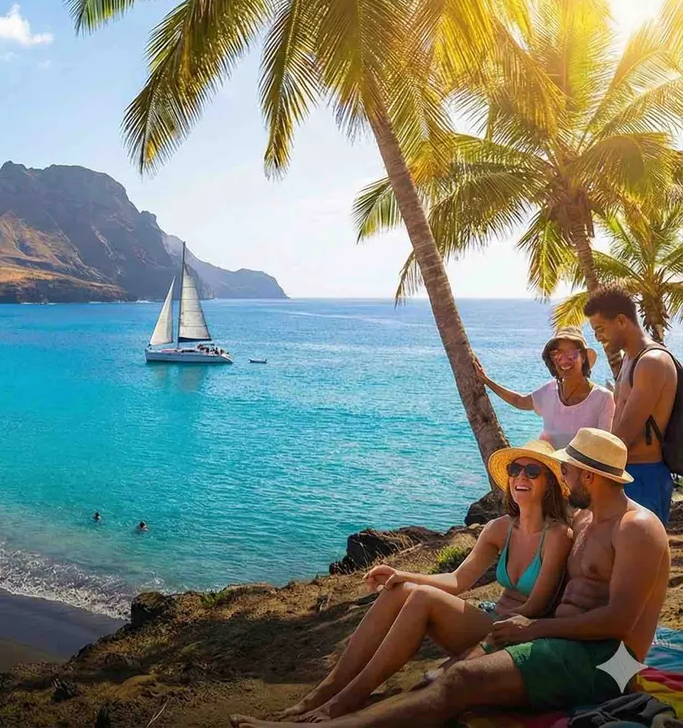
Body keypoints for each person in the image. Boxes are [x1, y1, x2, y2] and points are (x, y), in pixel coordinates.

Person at [231, 428, 670, 728]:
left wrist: (531, 627)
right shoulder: (588, 520)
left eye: (566, 470)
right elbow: (476, 579)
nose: (561, 476)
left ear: (589, 476)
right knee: (426, 622)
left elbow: (618, 622)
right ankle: (335, 697)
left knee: (458, 682)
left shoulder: (637, 529)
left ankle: (334, 718)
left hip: (611, 662)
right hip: (558, 643)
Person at [277, 440, 574, 721]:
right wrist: (400, 574)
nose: (521, 476)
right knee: (401, 590)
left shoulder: (558, 535)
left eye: (532, 471)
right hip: (487, 620)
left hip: (514, 637)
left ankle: (346, 700)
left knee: (422, 597)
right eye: (515, 469)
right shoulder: (499, 528)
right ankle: (330, 687)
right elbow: (458, 580)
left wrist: (481, 647)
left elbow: (535, 606)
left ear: (548, 481)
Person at [585, 287, 677, 522]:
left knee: (640, 554)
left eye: (600, 329)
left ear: (621, 321)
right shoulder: (630, 358)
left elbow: (624, 435)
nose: (597, 337)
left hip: (644, 475)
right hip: (628, 473)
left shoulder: (652, 362)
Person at [475, 327, 614, 449]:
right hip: (549, 471)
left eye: (571, 353)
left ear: (583, 357)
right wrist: (486, 380)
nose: (564, 360)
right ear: (552, 361)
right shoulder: (549, 391)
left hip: (583, 476)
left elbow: (602, 447)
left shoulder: (603, 398)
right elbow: (519, 400)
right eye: (557, 354)